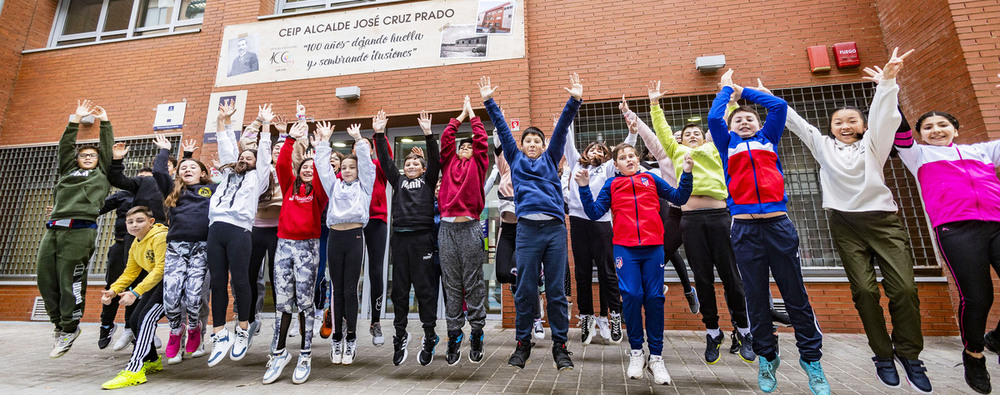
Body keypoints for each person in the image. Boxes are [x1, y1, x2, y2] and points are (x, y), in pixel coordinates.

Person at [784, 49, 930, 393]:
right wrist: (767, 98)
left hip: (884, 223)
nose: (845, 126)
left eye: (852, 121)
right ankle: (882, 354)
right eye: (838, 122)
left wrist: (888, 81)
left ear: (863, 126)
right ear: (831, 128)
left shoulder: (875, 146)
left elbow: (885, 118)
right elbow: (797, 123)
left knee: (905, 290)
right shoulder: (822, 147)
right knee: (864, 291)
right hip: (844, 224)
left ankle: (909, 354)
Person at [708, 69, 828, 395]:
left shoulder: (768, 139)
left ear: (759, 126)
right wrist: (725, 91)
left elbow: (779, 107)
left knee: (796, 297)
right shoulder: (726, 145)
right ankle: (767, 357)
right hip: (745, 230)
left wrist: (744, 90)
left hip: (778, 226)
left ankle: (812, 362)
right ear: (730, 128)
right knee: (756, 298)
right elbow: (713, 116)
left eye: (749, 119)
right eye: (738, 120)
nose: (744, 122)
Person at [624, 83, 754, 364]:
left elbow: (723, 123)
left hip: (720, 217)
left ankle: (743, 329)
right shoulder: (675, 152)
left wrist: (731, 101)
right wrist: (654, 106)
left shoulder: (717, 147)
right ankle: (713, 331)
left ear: (705, 136)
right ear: (680, 140)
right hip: (689, 219)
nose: (692, 136)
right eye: (687, 134)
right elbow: (657, 132)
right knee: (703, 278)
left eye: (697, 132)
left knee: (731, 277)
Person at [893, 73, 1000, 395]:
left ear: (956, 129)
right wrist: (889, 89)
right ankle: (974, 354)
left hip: (996, 224)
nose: (936, 130)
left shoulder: (981, 151)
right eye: (928, 127)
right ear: (921, 134)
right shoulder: (919, 156)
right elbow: (898, 129)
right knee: (979, 296)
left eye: (942, 125)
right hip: (956, 230)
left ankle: (997, 338)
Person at [481, 74, 580, 370]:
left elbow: (561, 129)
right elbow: (501, 127)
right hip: (525, 231)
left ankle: (560, 346)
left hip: (554, 231)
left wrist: (574, 100)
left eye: (537, 140)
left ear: (544, 144)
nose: (532, 143)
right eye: (528, 140)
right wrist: (489, 101)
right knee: (524, 289)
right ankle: (523, 344)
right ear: (522, 146)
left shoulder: (551, 159)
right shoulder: (516, 159)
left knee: (556, 292)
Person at [576, 142, 693, 385]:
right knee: (631, 295)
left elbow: (680, 197)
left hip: (653, 248)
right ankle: (637, 352)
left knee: (654, 298)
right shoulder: (612, 184)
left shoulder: (651, 179)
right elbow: (595, 213)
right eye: (623, 157)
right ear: (615, 164)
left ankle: (657, 358)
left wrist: (687, 173)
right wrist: (584, 188)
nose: (629, 160)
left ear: (638, 160)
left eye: (632, 156)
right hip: (625, 249)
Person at [37, 100, 113, 358]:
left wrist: (105, 123)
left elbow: (105, 150)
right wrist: (75, 121)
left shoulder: (101, 173)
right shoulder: (68, 172)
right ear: (77, 159)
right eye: (84, 155)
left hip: (80, 230)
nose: (88, 157)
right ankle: (58, 325)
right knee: (45, 278)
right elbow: (65, 148)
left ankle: (70, 327)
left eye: (92, 155)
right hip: (54, 229)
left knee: (69, 279)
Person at [206, 102, 275, 367]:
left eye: (249, 158)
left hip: (239, 231)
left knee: (240, 281)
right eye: (242, 157)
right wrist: (221, 120)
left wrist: (265, 126)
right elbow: (224, 144)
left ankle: (243, 328)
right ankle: (219, 333)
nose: (244, 160)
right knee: (217, 282)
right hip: (216, 229)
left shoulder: (258, 178)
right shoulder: (227, 174)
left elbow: (266, 154)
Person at [374, 110, 443, 366]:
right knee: (400, 292)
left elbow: (435, 160)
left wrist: (428, 134)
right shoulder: (398, 180)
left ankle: (429, 336)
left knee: (425, 291)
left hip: (422, 240)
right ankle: (400, 335)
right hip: (400, 241)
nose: (411, 165)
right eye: (408, 163)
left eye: (416, 163)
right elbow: (385, 161)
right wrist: (380, 134)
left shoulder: (428, 181)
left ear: (423, 168)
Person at [262, 121, 328, 384]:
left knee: (304, 302)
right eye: (305, 167)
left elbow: (322, 170)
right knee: (282, 302)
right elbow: (281, 165)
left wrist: (320, 146)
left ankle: (305, 353)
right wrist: (290, 138)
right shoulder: (289, 186)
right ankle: (279, 353)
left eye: (313, 168)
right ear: (299, 171)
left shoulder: (319, 194)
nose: (309, 170)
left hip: (308, 248)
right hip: (283, 246)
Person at [562, 116, 634, 346]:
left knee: (607, 272)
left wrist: (632, 133)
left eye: (600, 149)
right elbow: (567, 143)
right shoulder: (576, 164)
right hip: (578, 221)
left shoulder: (607, 169)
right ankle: (586, 318)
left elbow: (623, 150)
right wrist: (566, 121)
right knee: (582, 273)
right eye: (591, 148)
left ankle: (614, 316)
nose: (595, 151)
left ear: (606, 155)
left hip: (602, 222)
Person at [314, 122, 375, 366]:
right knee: (335, 290)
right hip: (335, 237)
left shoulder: (365, 186)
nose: (348, 170)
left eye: (353, 167)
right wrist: (324, 141)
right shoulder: (334, 185)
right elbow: (321, 166)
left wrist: (360, 139)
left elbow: (368, 165)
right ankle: (336, 337)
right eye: (345, 167)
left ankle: (351, 338)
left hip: (355, 237)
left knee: (350, 289)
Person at [153, 135, 216, 365]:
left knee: (193, 297)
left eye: (193, 168)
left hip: (202, 248)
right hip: (176, 249)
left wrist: (190, 158)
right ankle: (174, 331)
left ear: (202, 173)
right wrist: (165, 150)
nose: (188, 170)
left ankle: (193, 327)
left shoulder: (211, 189)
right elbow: (160, 172)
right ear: (179, 174)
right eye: (184, 168)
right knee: (170, 297)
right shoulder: (173, 191)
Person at [437, 95, 490, 365]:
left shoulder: (478, 166)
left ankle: (477, 331)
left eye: (470, 146)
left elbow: (482, 140)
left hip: (470, 227)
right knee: (452, 284)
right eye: (463, 146)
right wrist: (459, 117)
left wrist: (474, 116)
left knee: (473, 282)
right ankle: (454, 333)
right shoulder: (448, 163)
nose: (467, 148)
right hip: (446, 229)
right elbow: (446, 139)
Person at [99, 206, 168, 389]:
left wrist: (135, 292)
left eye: (140, 220)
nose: (134, 225)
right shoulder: (136, 243)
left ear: (151, 222)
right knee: (135, 319)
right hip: (156, 285)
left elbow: (161, 269)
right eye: (130, 222)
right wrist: (113, 291)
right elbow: (130, 272)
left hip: (173, 285)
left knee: (145, 319)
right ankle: (152, 360)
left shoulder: (160, 237)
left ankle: (134, 370)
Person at [97, 179, 148, 352]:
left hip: (143, 247)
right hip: (120, 246)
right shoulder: (123, 195)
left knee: (135, 288)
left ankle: (131, 328)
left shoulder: (155, 197)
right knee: (113, 285)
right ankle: (106, 324)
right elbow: (97, 208)